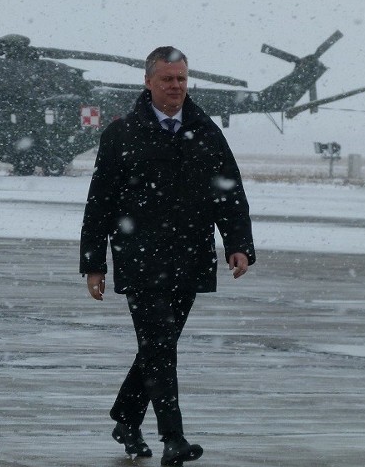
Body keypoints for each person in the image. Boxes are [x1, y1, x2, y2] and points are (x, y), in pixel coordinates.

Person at [80, 46, 255, 465]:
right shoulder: (122, 133)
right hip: (139, 258)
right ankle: (172, 437)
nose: (175, 87)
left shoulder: (206, 130)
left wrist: (238, 245)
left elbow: (228, 193)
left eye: (181, 79)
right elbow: (99, 202)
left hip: (190, 255)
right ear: (148, 82)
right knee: (159, 344)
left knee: (158, 346)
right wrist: (93, 263)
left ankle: (125, 416)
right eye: (166, 79)